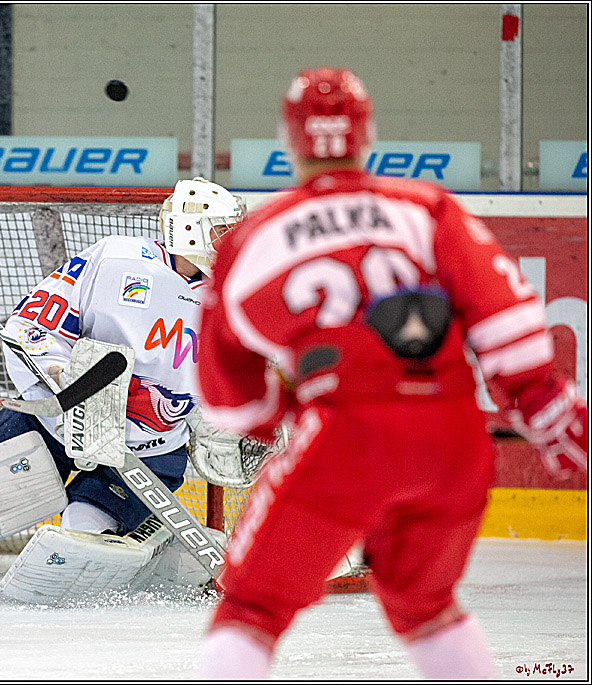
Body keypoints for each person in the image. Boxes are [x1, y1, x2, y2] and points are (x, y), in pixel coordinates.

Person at [194, 66, 588, 679]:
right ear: (367, 134)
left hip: (344, 438)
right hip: (452, 436)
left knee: (251, 607)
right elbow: (509, 325)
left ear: (290, 141)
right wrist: (541, 398)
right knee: (425, 604)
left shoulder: (255, 238)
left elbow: (227, 399)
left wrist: (283, 411)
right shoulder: (425, 209)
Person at [0, 178, 246, 537]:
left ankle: (119, 546)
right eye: (221, 231)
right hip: (57, 422)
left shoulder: (239, 296)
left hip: (150, 449)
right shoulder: (116, 259)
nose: (231, 241)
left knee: (85, 528)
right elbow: (33, 322)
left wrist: (225, 421)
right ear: (189, 231)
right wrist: (57, 374)